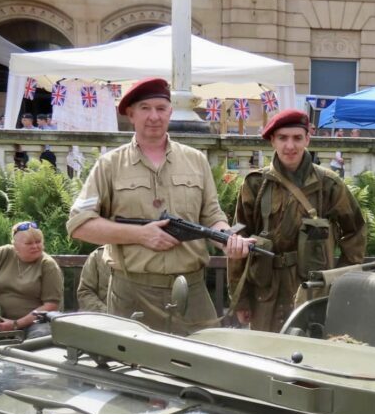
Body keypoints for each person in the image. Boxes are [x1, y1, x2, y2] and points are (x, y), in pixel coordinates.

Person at [67, 77, 251, 334]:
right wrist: (140, 235)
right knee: (130, 368)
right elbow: (79, 225)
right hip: (131, 292)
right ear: (131, 114)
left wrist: (227, 239)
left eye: (161, 108)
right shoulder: (109, 165)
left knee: (203, 365)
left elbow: (212, 216)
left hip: (192, 290)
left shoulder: (195, 160)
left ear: (170, 113)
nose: (154, 116)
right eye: (145, 108)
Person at [228, 108, 367, 332]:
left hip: (312, 290)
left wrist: (338, 282)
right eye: (282, 138)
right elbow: (238, 240)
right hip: (266, 292)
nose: (290, 146)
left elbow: (355, 233)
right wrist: (240, 298)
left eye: (297, 138)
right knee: (266, 356)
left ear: (307, 139)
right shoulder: (255, 184)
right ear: (272, 140)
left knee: (311, 354)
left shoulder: (329, 184)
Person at [0, 221, 63, 339]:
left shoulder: (48, 265)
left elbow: (51, 305)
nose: (35, 246)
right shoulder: (3, 253)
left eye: (38, 241)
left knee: (41, 337)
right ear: (15, 246)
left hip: (34, 323)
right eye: (29, 243)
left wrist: (16, 324)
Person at [77, 246, 111, 312]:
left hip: (134, 317)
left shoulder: (136, 257)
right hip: (102, 317)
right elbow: (85, 291)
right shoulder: (97, 256)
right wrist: (105, 312)